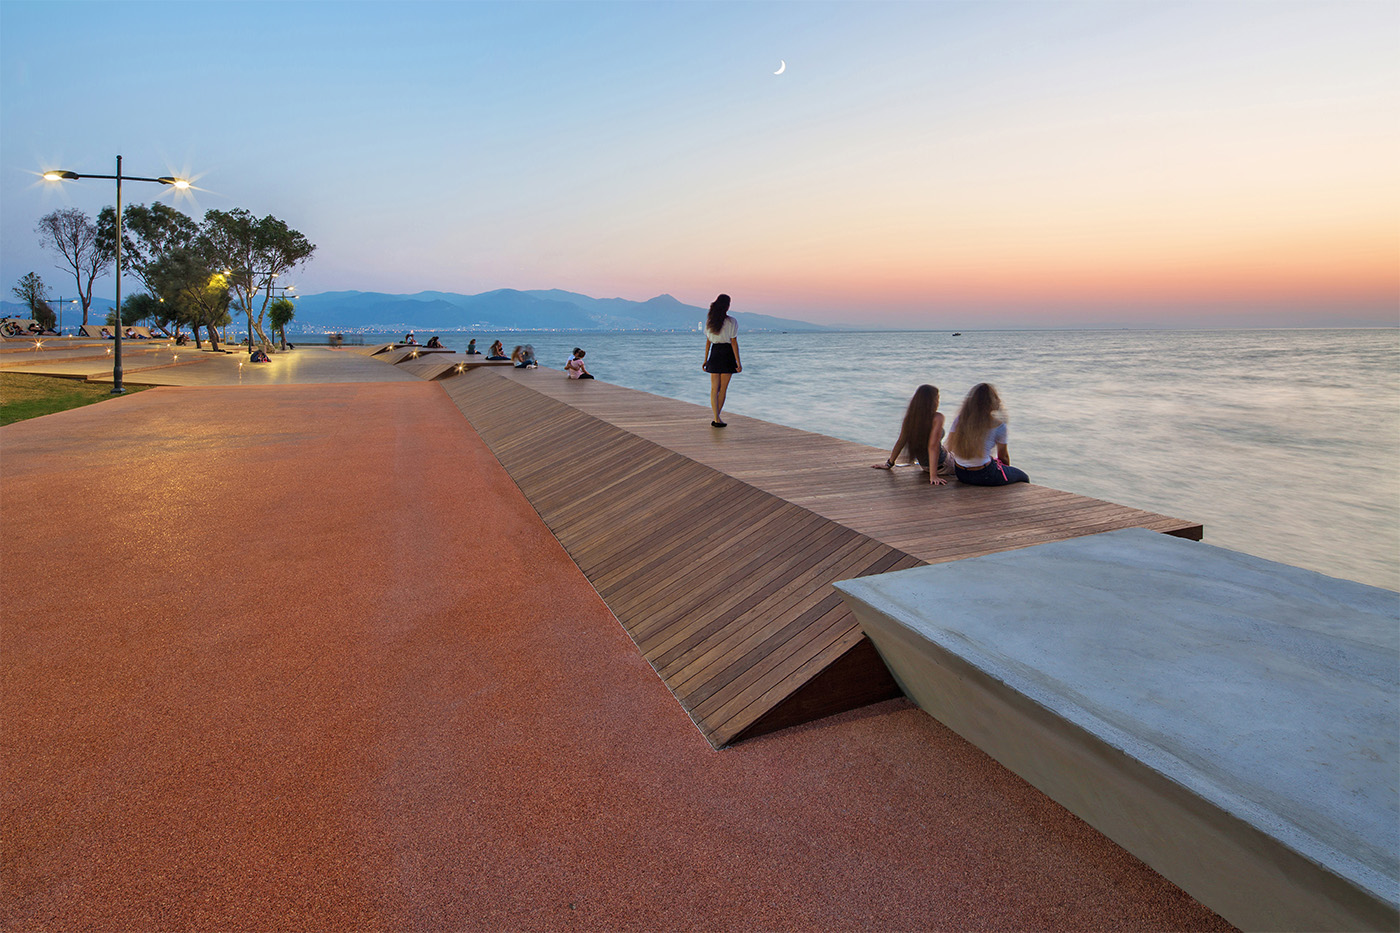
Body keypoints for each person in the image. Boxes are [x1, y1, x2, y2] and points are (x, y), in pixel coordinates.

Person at [946, 383, 1029, 485]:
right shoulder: (998, 425)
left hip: (961, 473)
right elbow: (1003, 457)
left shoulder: (960, 420)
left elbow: (949, 446)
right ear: (993, 402)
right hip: (985, 475)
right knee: (1023, 477)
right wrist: (1005, 472)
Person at [872, 384, 949, 485]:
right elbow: (933, 447)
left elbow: (901, 441)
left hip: (925, 466)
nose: (938, 402)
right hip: (943, 465)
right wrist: (933, 476)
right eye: (937, 398)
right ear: (931, 401)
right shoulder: (938, 418)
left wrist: (889, 463)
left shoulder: (910, 419)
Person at [701, 293, 741, 427]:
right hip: (727, 354)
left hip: (715, 352)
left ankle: (716, 418)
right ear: (727, 306)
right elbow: (734, 343)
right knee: (723, 389)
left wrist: (705, 359)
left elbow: (708, 342)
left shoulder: (709, 321)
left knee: (714, 389)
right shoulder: (732, 321)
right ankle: (717, 418)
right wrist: (738, 363)